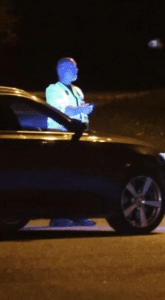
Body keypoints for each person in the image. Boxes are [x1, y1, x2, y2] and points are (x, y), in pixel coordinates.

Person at [45, 57, 96, 228]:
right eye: (74, 67)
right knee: (62, 177)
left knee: (80, 177)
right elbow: (61, 111)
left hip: (78, 138)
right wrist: (82, 109)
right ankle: (58, 216)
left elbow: (78, 111)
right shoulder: (53, 90)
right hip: (61, 138)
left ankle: (79, 214)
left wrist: (84, 112)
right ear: (62, 69)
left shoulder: (77, 90)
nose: (77, 70)